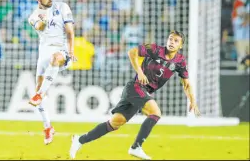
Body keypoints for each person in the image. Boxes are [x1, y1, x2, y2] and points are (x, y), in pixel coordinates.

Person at [69, 30, 200, 160]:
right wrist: (140, 72)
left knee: (114, 123)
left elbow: (186, 83)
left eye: (176, 41)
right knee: (155, 113)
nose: (172, 42)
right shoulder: (155, 49)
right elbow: (132, 52)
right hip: (135, 87)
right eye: (170, 39)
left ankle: (79, 140)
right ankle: (136, 147)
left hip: (143, 91)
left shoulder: (180, 61)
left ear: (180, 46)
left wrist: (192, 100)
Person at [27, 0, 76, 145]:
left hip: (61, 50)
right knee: (39, 90)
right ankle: (48, 127)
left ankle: (39, 94)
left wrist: (71, 51)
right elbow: (39, 27)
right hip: (43, 54)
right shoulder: (33, 16)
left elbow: (70, 31)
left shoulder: (62, 7)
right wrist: (44, 20)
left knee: (56, 58)